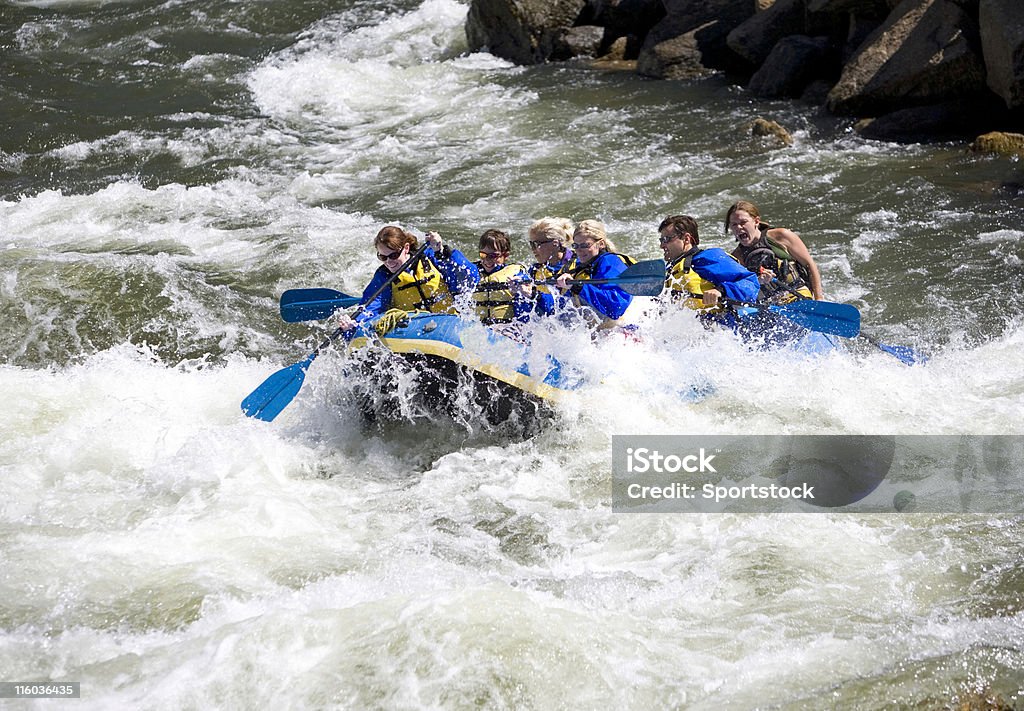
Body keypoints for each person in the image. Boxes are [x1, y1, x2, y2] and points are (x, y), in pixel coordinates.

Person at [336, 226, 479, 336]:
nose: (389, 262)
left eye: (393, 255)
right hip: (416, 333)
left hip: (450, 325)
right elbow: (371, 308)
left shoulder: (432, 257)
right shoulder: (384, 277)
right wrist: (353, 325)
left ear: (406, 248)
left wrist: (442, 251)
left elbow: (470, 277)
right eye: (383, 257)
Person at [657, 214, 761, 312]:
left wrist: (720, 291)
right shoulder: (670, 270)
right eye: (661, 240)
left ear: (686, 239)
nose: (662, 245)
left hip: (719, 326)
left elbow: (750, 282)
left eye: (666, 239)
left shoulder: (708, 257)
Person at [724, 200, 823, 301]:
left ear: (756, 221)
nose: (739, 227)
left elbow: (810, 265)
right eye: (734, 224)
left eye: (743, 222)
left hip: (798, 294)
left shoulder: (781, 236)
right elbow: (739, 287)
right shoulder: (737, 257)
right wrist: (758, 280)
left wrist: (819, 298)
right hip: (771, 304)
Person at [554, 219, 635, 329]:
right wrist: (535, 296)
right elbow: (560, 308)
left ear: (601, 244)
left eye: (585, 245)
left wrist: (578, 286)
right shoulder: (576, 267)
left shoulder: (611, 262)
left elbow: (616, 308)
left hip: (620, 331)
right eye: (576, 246)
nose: (579, 251)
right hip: (594, 335)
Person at [472, 229, 533, 325]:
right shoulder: (471, 272)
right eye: (483, 255)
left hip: (506, 328)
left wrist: (522, 290)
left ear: (506, 255)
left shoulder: (516, 273)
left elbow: (527, 302)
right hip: (479, 330)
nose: (487, 260)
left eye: (493, 255)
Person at [525, 217, 575, 318]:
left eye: (536, 244)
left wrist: (536, 295)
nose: (533, 250)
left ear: (555, 243)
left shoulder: (579, 265)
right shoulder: (534, 271)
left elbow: (563, 308)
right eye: (531, 244)